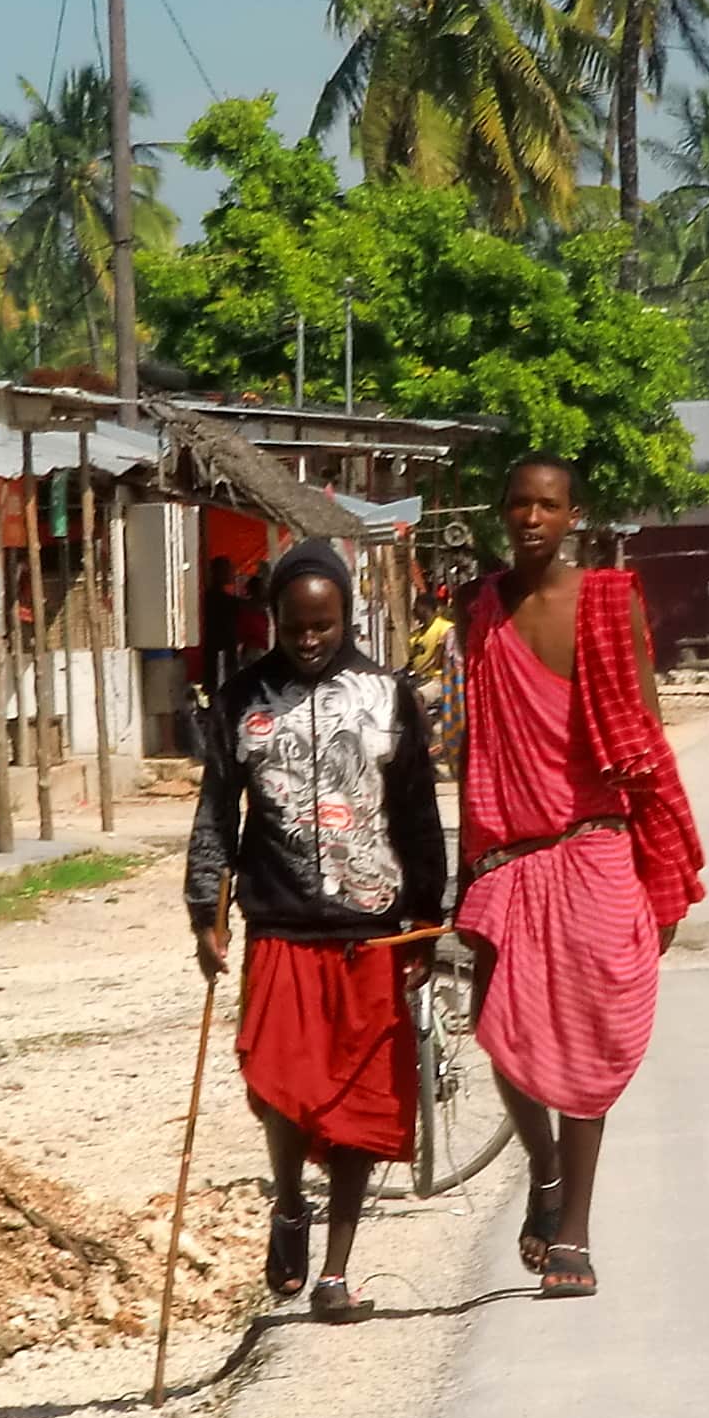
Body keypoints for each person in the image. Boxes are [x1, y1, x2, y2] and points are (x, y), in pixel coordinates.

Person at [456, 453, 707, 1300]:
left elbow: (644, 735)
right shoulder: (477, 609)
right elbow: (474, 743)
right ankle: (546, 1165)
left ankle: (576, 1229)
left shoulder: (607, 603)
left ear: (573, 517)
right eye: (520, 504)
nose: (532, 518)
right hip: (508, 853)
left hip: (596, 844)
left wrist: (662, 865)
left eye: (548, 506)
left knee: (592, 1031)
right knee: (499, 1022)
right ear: (503, 512)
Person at [185, 542, 450, 1325]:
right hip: (279, 923)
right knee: (283, 1093)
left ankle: (336, 1272)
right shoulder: (241, 699)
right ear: (275, 621)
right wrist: (207, 909)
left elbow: (417, 817)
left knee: (362, 1104)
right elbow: (216, 813)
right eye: (296, 626)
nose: (309, 639)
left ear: (345, 617)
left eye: (323, 624)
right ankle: (289, 1205)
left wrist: (427, 922)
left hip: (370, 930)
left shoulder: (388, 696)